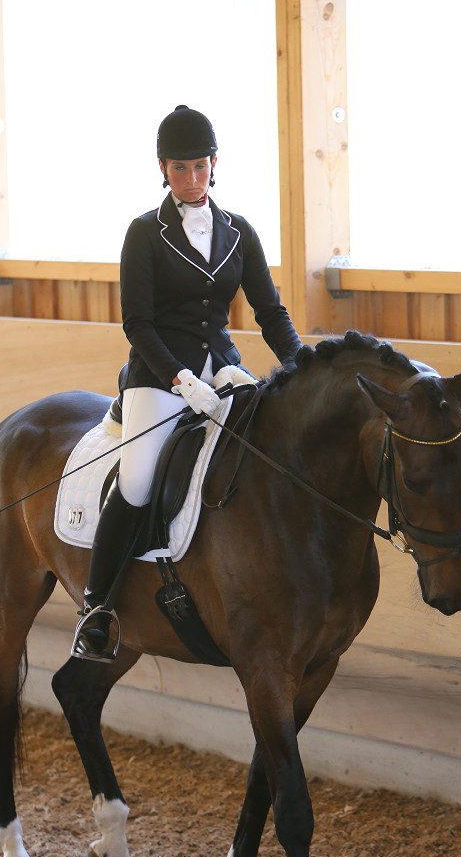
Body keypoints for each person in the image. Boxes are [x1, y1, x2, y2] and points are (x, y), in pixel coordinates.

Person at [72, 104, 302, 662]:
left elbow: (270, 314)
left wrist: (303, 365)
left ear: (215, 164)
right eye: (180, 169)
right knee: (138, 480)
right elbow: (138, 323)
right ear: (163, 170)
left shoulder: (238, 233)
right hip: (157, 373)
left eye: (200, 167)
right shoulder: (144, 233)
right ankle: (96, 609)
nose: (192, 179)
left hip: (222, 366)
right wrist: (178, 378)